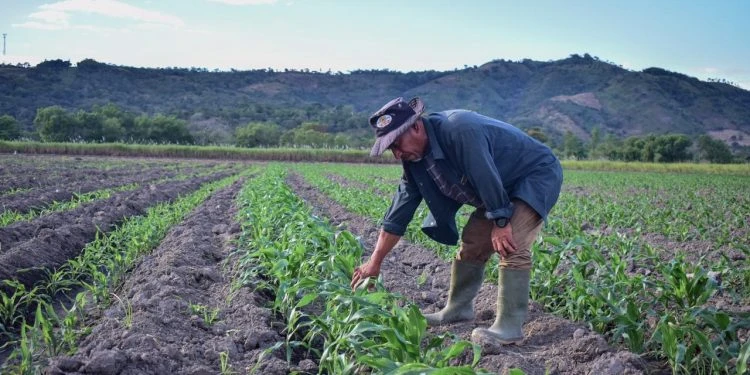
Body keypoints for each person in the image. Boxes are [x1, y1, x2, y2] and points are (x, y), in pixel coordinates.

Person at [350, 97, 563, 346]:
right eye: (391, 149)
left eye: (397, 144)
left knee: (511, 242)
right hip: (499, 187)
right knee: (473, 242)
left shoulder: (459, 129)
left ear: (416, 127)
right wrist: (374, 263)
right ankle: (458, 309)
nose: (397, 154)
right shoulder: (415, 161)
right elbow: (399, 213)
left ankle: (509, 327)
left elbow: (485, 174)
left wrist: (502, 222)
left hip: (533, 176)